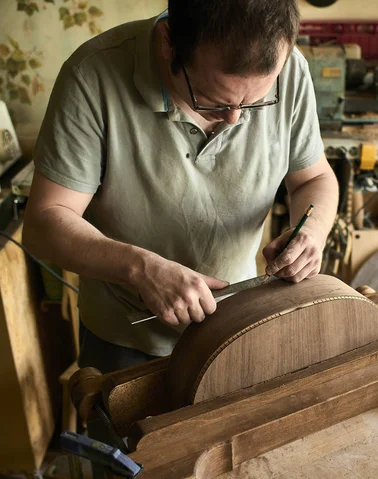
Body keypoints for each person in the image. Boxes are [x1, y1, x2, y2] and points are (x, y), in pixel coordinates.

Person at [23, 0, 338, 374]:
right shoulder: (92, 76)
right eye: (212, 101)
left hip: (236, 325)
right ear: (168, 42)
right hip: (127, 339)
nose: (235, 120)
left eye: (255, 103)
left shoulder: (291, 71)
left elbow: (314, 178)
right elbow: (45, 222)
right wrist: (141, 270)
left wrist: (312, 232)